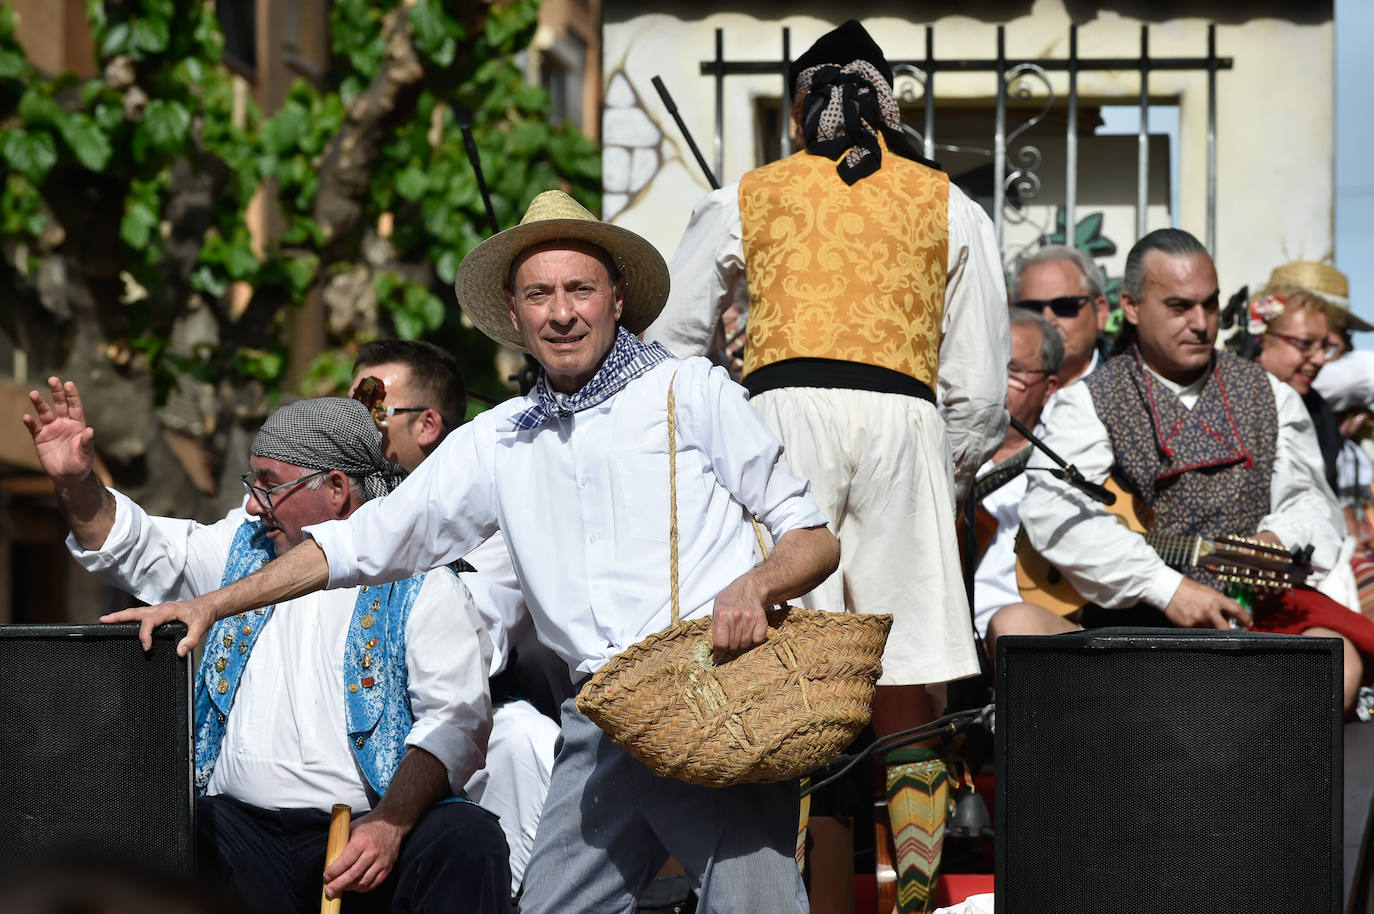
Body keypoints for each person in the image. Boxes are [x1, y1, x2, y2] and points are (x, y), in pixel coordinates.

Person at [105, 189, 840, 914]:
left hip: (707, 697)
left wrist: (754, 587)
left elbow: (811, 538)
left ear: (617, 297)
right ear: (515, 315)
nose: (560, 312)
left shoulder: (693, 390)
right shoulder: (499, 437)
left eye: (579, 289)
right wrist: (212, 603)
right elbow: (360, 543)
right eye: (539, 294)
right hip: (600, 719)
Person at [645, 22, 1008, 910]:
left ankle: (791, 898)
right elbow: (982, 384)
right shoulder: (951, 203)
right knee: (907, 673)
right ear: (887, 107)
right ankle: (917, 901)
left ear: (803, 106)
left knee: (790, 678)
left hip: (782, 421)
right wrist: (942, 468)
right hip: (906, 430)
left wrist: (733, 414)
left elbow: (673, 344)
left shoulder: (746, 195)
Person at [24, 386, 511, 914]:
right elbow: (136, 547)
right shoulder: (241, 550)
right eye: (251, 483)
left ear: (338, 489)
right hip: (238, 835)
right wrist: (76, 483)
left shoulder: (422, 579)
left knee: (466, 839)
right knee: (147, 826)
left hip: (370, 827)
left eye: (270, 486)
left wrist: (390, 825)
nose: (254, 504)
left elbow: (455, 720)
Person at [987, 228, 1374, 711]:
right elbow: (1053, 511)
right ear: (1131, 306)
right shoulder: (1085, 401)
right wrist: (1165, 587)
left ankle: (1252, 775)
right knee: (1013, 625)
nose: (1200, 323)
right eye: (1179, 306)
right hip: (1128, 621)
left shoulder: (1273, 397)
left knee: (1339, 663)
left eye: (1209, 305)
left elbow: (1312, 502)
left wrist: (1278, 540)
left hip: (1245, 616)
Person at [348, 338, 561, 897]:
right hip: (335, 738)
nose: (353, 425)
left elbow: (480, 630)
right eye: (346, 407)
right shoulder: (330, 513)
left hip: (449, 715)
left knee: (522, 743)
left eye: (370, 406)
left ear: (427, 425)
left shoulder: (498, 513)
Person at [969, 310, 1063, 638]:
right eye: (989, 364)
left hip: (1024, 646)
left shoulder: (1064, 464)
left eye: (1013, 370)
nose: (995, 381)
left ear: (1049, 387)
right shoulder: (936, 449)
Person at [1008, 243, 1110, 388]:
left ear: (1100, 313)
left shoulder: (1129, 389)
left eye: (1065, 306)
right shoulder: (998, 389)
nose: (1048, 320)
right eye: (1032, 309)